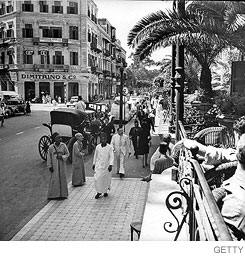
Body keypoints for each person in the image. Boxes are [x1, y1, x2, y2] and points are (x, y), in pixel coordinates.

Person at [47, 133, 69, 200]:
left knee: (62, 178)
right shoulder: (51, 147)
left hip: (62, 165)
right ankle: (54, 195)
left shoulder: (63, 145)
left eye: (60, 138)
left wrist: (62, 157)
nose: (60, 139)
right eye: (58, 138)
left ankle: (63, 194)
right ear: (54, 139)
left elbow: (67, 154)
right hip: (55, 166)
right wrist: (50, 166)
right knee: (55, 179)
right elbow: (49, 157)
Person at [92, 133, 114, 199]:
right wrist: (94, 163)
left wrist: (110, 165)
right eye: (102, 139)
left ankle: (105, 191)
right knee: (97, 178)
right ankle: (98, 192)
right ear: (100, 139)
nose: (103, 140)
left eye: (104, 139)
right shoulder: (98, 147)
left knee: (105, 179)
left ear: (106, 140)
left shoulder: (109, 147)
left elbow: (111, 156)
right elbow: (95, 156)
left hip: (106, 166)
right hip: (99, 166)